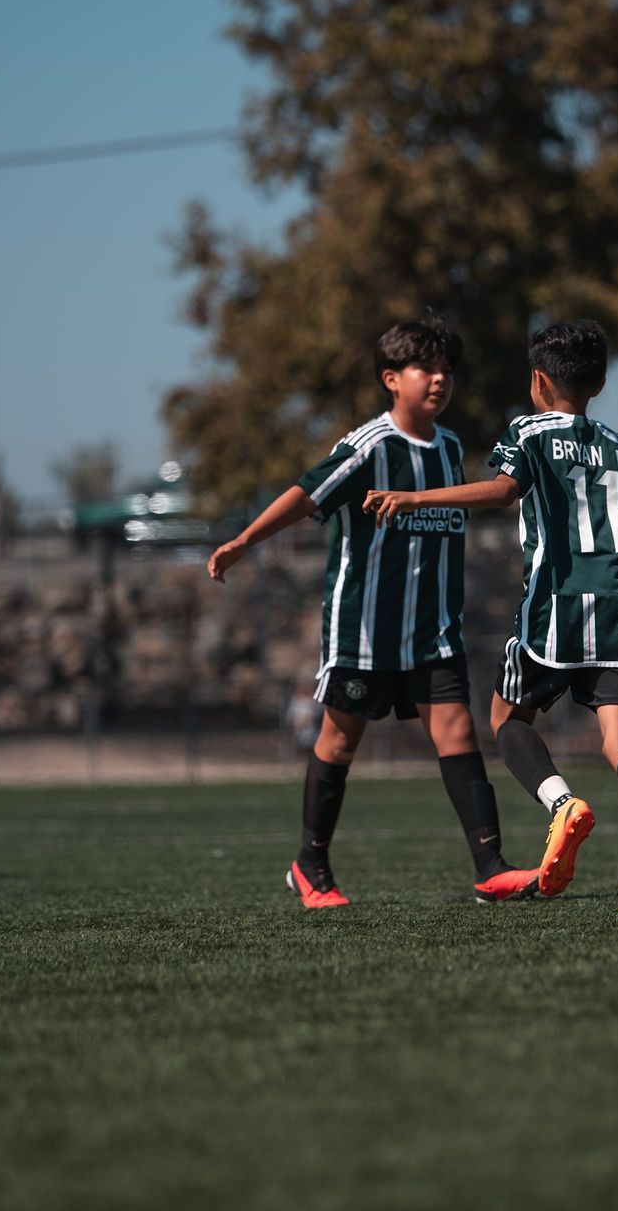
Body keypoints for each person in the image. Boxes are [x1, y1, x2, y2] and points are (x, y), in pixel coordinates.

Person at [365, 320, 618, 920]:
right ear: (601, 385)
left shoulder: (528, 433)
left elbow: (504, 491)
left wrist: (413, 497)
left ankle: (562, 805)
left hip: (556, 606)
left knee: (507, 719)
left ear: (538, 381)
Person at [207, 313, 538, 909]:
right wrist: (244, 540)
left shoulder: (453, 448)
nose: (439, 380)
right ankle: (310, 865)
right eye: (425, 369)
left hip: (433, 631)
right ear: (392, 378)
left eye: (446, 371)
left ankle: (491, 867)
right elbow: (306, 493)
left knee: (458, 730)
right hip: (364, 630)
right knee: (339, 740)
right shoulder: (369, 447)